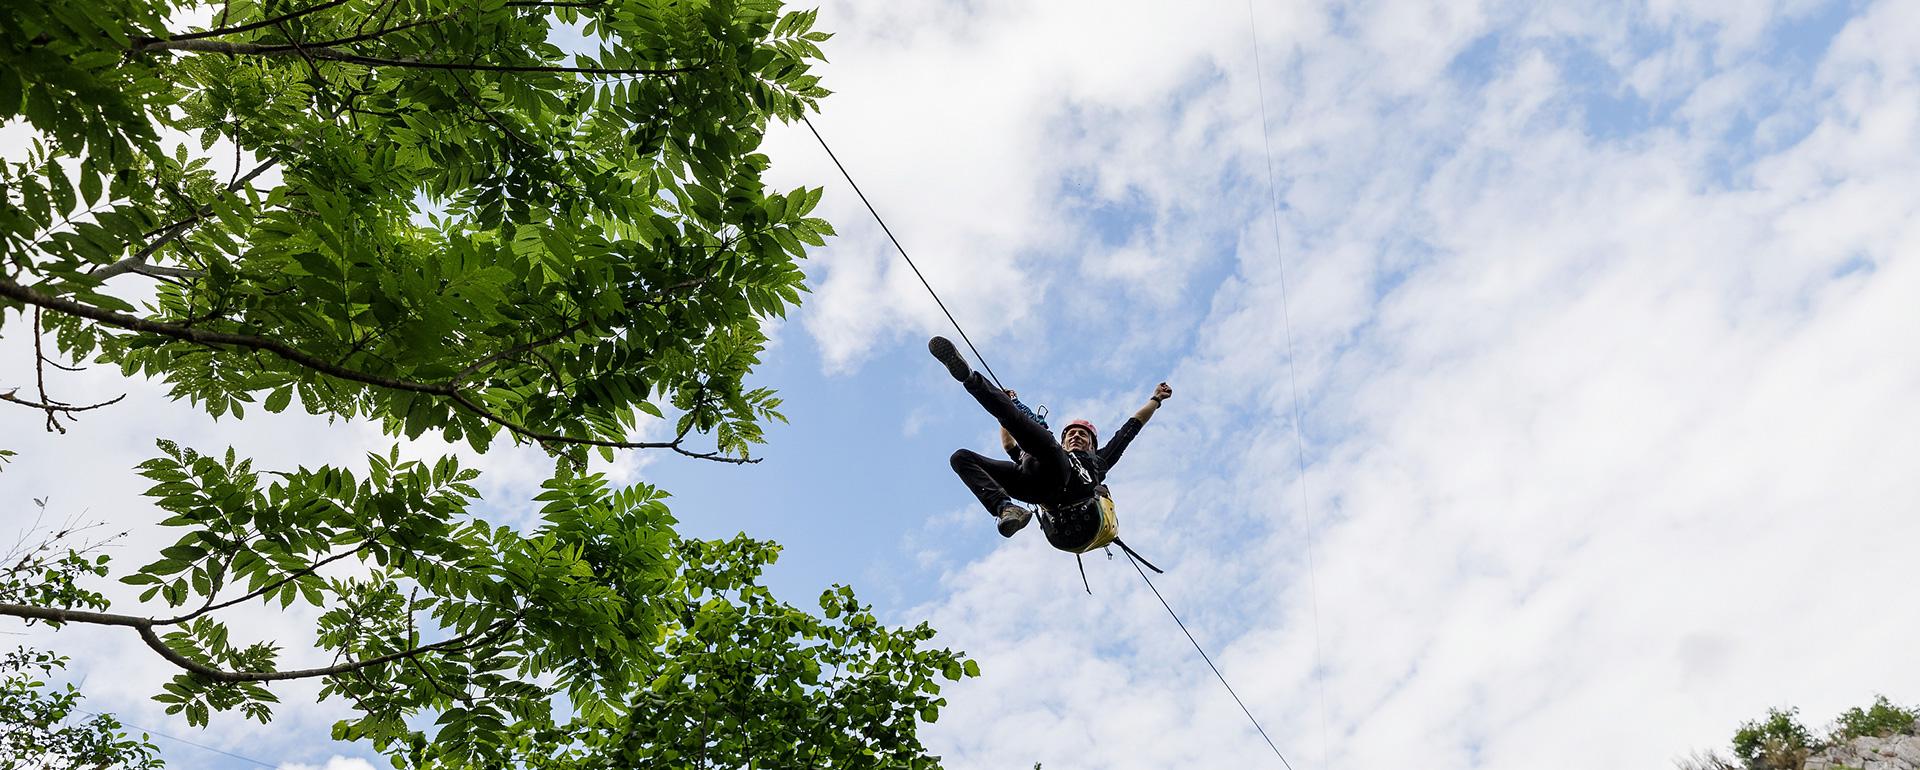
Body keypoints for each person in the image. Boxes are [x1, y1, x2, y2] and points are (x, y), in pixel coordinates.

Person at [929, 336, 1172, 552]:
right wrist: (1007, 405)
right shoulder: (1037, 454)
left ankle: (971, 379)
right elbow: (1009, 444)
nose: (1076, 436)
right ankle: (1005, 508)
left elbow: (1130, 428)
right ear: (1065, 438)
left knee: (1039, 440)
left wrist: (1155, 399)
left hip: (1066, 481)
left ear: (1092, 443)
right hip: (1033, 487)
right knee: (961, 458)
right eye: (1071, 434)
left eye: (1083, 435)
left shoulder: (1100, 459)